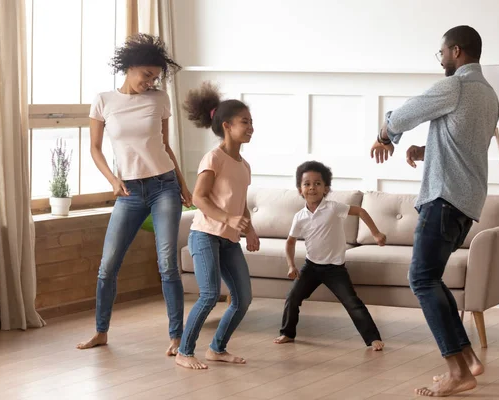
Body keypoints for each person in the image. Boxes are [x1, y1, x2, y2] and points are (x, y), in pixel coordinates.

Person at [370, 25, 499, 397]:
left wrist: (383, 135)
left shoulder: (454, 85)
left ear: (456, 52)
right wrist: (426, 152)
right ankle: (469, 358)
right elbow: (472, 143)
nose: (441, 59)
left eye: (441, 53)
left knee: (421, 280)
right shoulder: (489, 95)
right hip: (466, 205)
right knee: (433, 278)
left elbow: (405, 114)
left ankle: (457, 372)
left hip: (443, 200)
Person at [77, 33, 192, 357]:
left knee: (167, 263)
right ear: (129, 68)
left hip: (163, 186)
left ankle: (176, 337)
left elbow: (166, 146)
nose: (150, 82)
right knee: (108, 265)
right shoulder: (103, 101)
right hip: (127, 191)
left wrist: (183, 185)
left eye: (155, 77)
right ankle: (101, 332)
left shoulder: (159, 99)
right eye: (146, 75)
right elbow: (95, 149)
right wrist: (112, 180)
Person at [175, 82, 260, 370]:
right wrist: (228, 219)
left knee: (243, 299)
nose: (251, 127)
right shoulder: (214, 158)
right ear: (227, 125)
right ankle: (184, 352)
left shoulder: (244, 165)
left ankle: (217, 348)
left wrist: (249, 229)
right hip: (205, 235)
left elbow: (240, 201)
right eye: (245, 122)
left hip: (229, 239)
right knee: (210, 294)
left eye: (251, 122)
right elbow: (198, 197)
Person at [273, 161, 386, 351]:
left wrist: (375, 233)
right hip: (311, 267)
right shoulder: (300, 216)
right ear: (300, 190)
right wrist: (291, 265)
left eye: (317, 183)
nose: (312, 188)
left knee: (352, 302)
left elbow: (360, 211)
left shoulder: (333, 207)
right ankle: (287, 333)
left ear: (326, 188)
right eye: (306, 184)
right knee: (292, 298)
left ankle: (372, 338)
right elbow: (290, 242)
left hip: (335, 269)